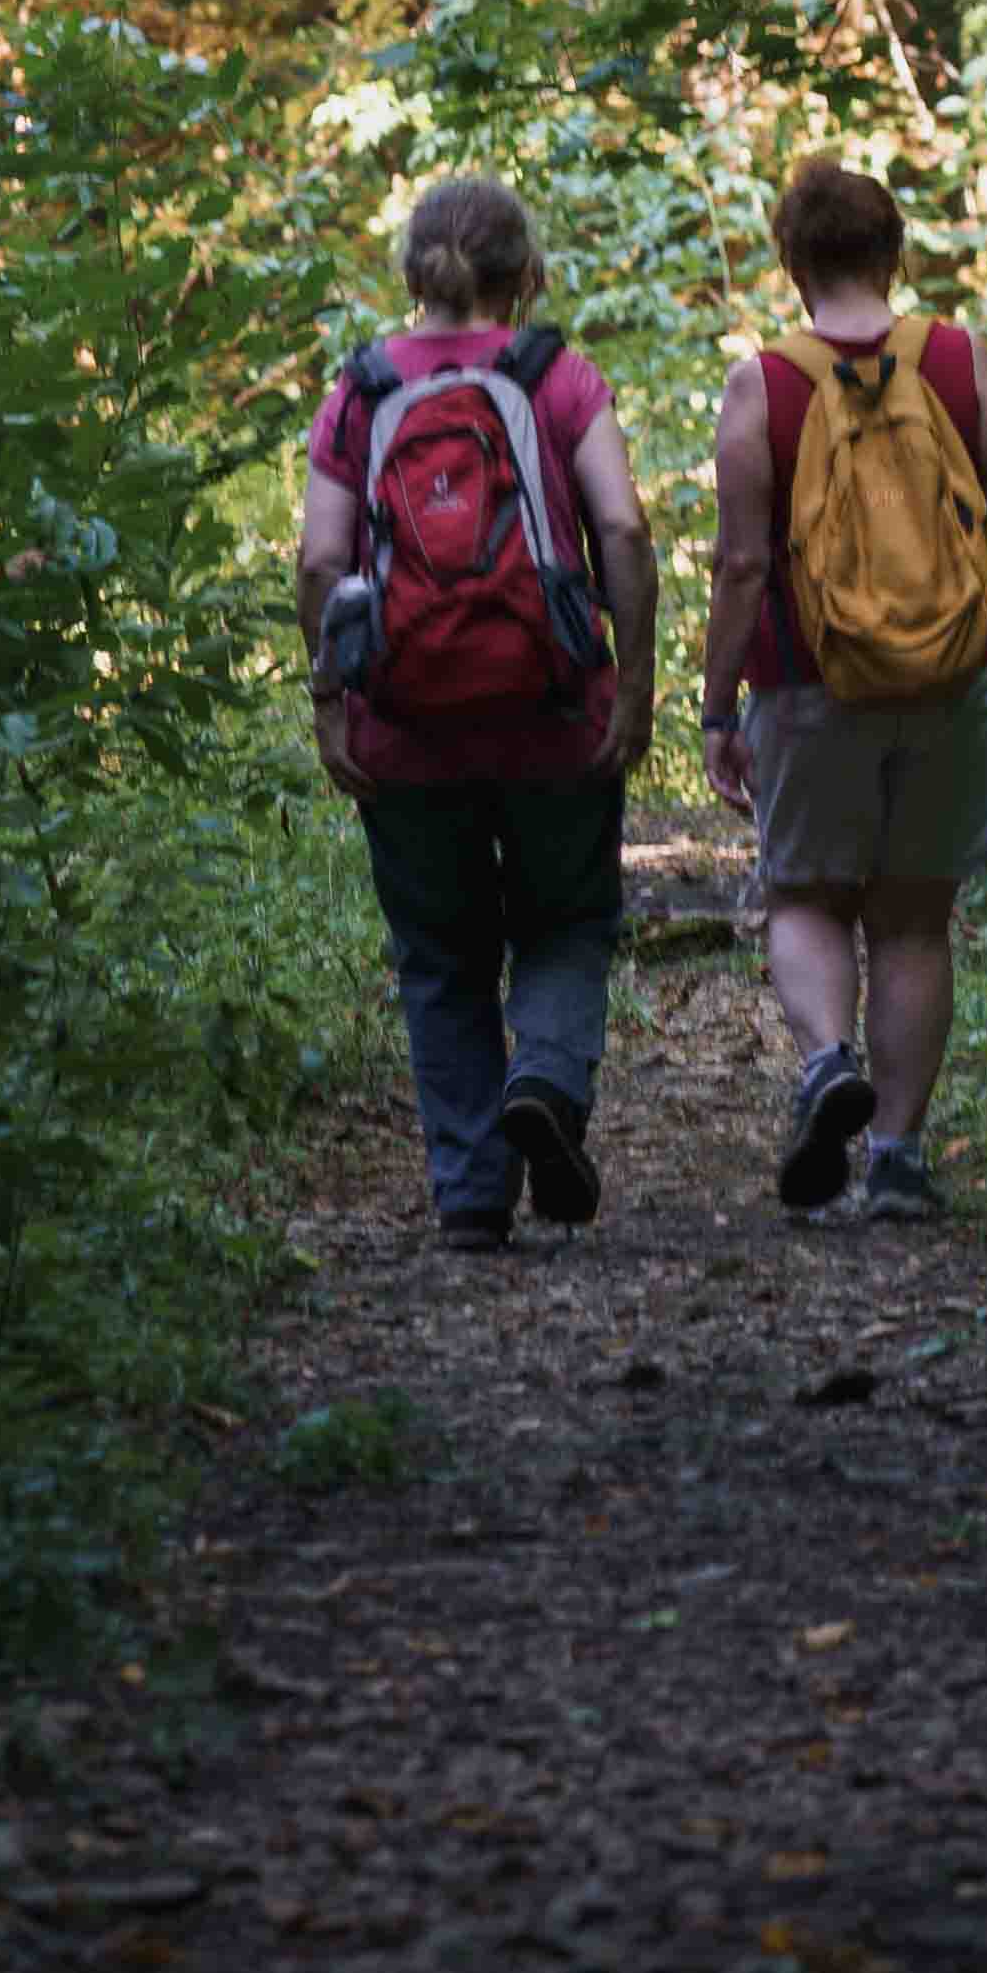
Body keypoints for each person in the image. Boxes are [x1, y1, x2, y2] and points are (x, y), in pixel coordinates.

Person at [297, 171, 658, 1251]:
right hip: (552, 711)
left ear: (413, 272)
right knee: (566, 923)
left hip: (405, 728)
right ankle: (543, 1079)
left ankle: (468, 1195)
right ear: (522, 274)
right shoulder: (555, 377)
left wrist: (330, 704)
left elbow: (320, 559)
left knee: (441, 957)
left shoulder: (358, 390)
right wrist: (633, 685)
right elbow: (625, 536)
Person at [700, 151, 987, 1223]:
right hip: (957, 672)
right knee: (912, 917)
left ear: (791, 261)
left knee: (806, 893)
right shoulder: (956, 360)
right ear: (893, 250)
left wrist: (718, 705)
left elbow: (741, 566)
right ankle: (897, 1157)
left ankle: (824, 1066)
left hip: (811, 683)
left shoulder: (765, 381)